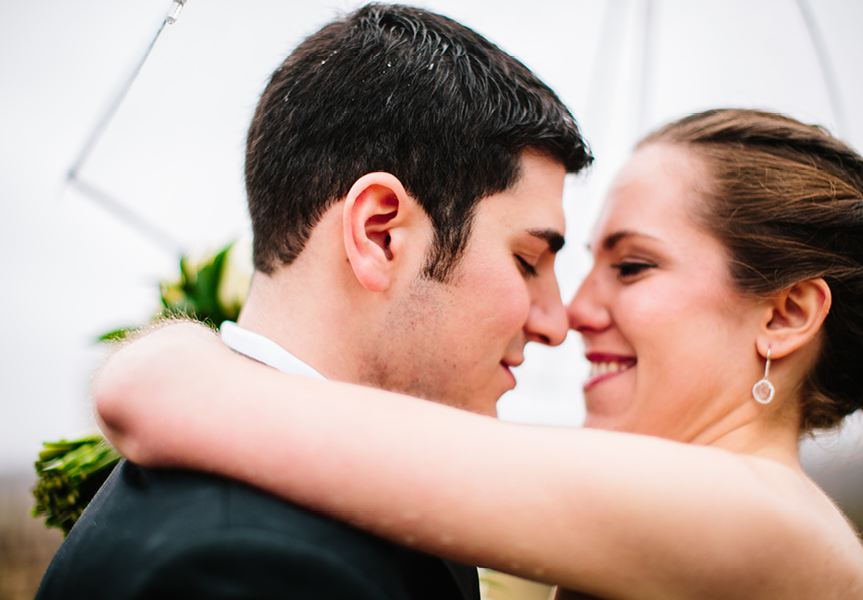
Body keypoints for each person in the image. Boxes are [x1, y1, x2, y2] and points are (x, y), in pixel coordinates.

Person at [94, 108, 863, 599]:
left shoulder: (762, 527)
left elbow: (154, 392)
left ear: (789, 313)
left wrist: (165, 351)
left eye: (631, 266)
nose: (572, 315)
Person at [35, 3, 592, 599]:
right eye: (527, 261)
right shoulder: (247, 571)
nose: (556, 324)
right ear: (379, 234)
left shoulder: (360, 500)